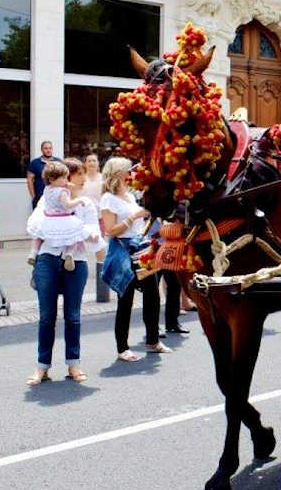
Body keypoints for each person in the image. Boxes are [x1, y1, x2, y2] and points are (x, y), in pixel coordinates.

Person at [25, 158, 102, 386]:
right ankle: (42, 367)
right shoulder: (48, 195)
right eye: (76, 174)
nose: (78, 178)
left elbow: (93, 230)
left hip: (75, 260)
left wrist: (79, 232)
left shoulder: (85, 203)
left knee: (73, 316)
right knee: (46, 316)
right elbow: (35, 222)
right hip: (48, 258)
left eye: (74, 175)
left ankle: (74, 363)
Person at [99, 157, 172, 362]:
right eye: (127, 170)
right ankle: (122, 348)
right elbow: (110, 231)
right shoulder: (108, 199)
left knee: (153, 296)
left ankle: (153, 340)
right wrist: (135, 217)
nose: (132, 173)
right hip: (123, 250)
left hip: (141, 249)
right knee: (126, 300)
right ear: (118, 174)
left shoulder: (130, 197)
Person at [27, 161, 91, 270]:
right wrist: (78, 201)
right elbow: (67, 205)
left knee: (39, 236)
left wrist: (65, 184)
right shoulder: (62, 192)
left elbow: (58, 187)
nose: (66, 181)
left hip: (48, 218)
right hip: (63, 218)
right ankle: (69, 254)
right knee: (74, 237)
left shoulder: (47, 189)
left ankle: (33, 252)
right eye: (63, 178)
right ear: (52, 179)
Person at [26, 140, 55, 209]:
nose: (48, 150)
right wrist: (33, 196)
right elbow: (29, 180)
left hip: (55, 197)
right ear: (41, 150)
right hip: (39, 197)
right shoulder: (35, 163)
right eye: (46, 148)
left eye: (50, 148)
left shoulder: (58, 162)